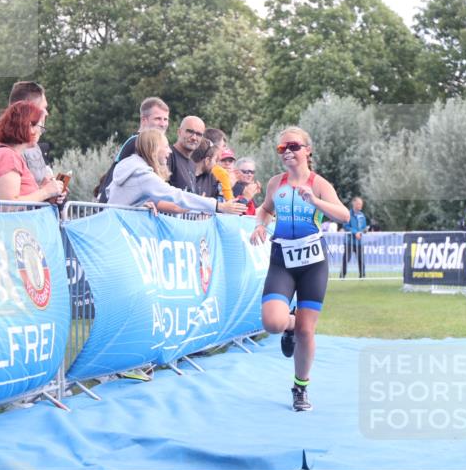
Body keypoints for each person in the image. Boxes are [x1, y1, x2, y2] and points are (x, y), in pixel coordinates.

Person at [250, 126, 350, 412]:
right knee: (272, 323)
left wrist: (315, 200)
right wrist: (260, 225)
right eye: (282, 148)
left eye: (293, 146)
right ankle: (290, 323)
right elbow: (265, 209)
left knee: (308, 331)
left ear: (308, 150)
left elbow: (343, 214)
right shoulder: (275, 184)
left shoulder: (319, 183)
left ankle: (300, 387)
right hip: (282, 259)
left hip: (313, 264)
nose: (288, 152)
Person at [106, 129, 245, 216]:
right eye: (166, 146)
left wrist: (137, 205)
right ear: (154, 149)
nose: (170, 151)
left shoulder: (131, 166)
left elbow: (110, 192)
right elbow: (175, 195)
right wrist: (218, 206)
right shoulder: (143, 175)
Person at [0, 101, 65, 204]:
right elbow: (9, 205)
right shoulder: (8, 156)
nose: (41, 133)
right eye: (40, 127)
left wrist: (44, 190)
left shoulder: (2, 152)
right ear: (29, 127)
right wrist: (45, 192)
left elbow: (19, 197)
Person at [97, 97, 169, 202]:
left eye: (166, 119)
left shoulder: (138, 141)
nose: (163, 124)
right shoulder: (137, 142)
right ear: (144, 120)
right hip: (114, 207)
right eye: (158, 119)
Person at [7, 81, 50, 185]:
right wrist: (46, 192)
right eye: (43, 108)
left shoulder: (35, 147)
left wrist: (54, 193)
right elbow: (12, 199)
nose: (46, 113)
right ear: (28, 110)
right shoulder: (7, 153)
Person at [168, 116, 205, 192]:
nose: (194, 137)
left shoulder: (192, 165)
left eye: (198, 134)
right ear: (179, 132)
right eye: (190, 131)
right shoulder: (168, 155)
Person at [341, 196, 368, 278]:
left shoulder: (362, 215)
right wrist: (355, 232)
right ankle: (342, 276)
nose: (360, 206)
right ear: (354, 203)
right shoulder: (348, 214)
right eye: (359, 204)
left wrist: (364, 230)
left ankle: (362, 276)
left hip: (359, 242)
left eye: (361, 204)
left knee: (361, 259)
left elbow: (363, 226)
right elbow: (345, 226)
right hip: (349, 241)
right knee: (346, 259)